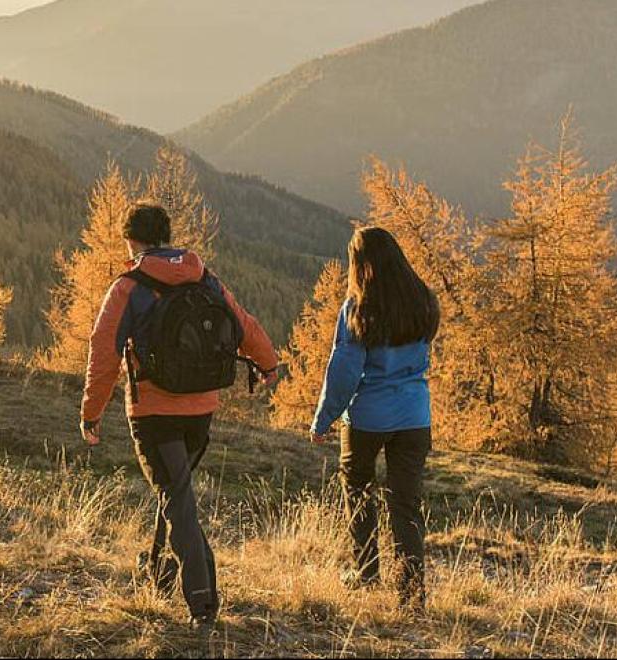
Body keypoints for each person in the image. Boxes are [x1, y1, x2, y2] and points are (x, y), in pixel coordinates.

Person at [79, 201, 279, 630]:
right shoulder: (204, 279)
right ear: (166, 236)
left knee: (177, 500)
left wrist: (91, 413)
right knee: (175, 491)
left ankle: (203, 603)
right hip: (202, 409)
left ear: (131, 239)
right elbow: (244, 324)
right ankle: (157, 571)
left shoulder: (129, 286)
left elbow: (103, 352)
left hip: (154, 410)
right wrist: (269, 364)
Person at [309, 226, 440, 614]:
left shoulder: (357, 307)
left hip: (367, 418)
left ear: (361, 264)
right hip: (415, 416)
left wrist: (323, 419)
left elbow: (344, 371)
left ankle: (365, 571)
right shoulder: (424, 302)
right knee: (406, 504)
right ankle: (411, 592)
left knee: (358, 492)